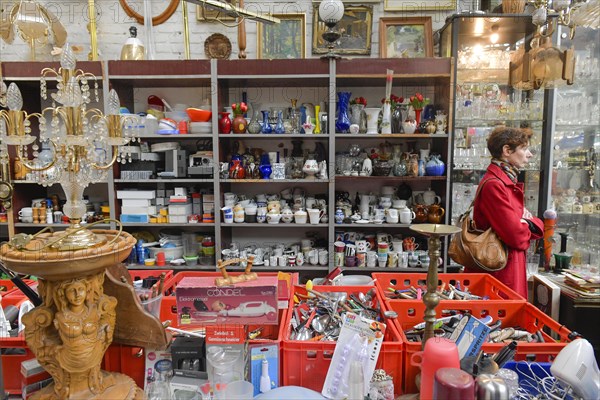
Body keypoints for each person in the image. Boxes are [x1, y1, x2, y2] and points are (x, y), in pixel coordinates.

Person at [471, 127, 543, 298]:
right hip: (500, 269)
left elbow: (531, 225)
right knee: (501, 318)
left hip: (506, 265)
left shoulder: (505, 181)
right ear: (506, 151)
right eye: (524, 148)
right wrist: (525, 222)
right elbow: (515, 236)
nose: (529, 154)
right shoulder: (494, 185)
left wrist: (526, 222)